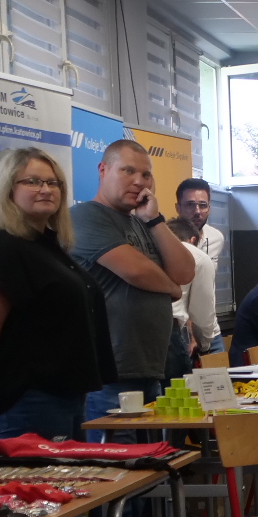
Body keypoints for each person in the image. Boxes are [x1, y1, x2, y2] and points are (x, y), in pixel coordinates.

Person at [0, 148, 114, 442]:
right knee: (43, 474)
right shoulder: (4, 247)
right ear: (8, 189)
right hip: (30, 397)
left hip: (66, 393)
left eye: (53, 182)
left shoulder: (49, 247)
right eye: (32, 181)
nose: (45, 189)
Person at [69, 139, 197, 424]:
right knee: (118, 450)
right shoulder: (84, 216)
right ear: (103, 170)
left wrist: (155, 221)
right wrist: (173, 290)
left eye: (146, 174)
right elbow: (136, 271)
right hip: (111, 372)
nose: (139, 181)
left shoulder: (143, 222)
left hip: (150, 368)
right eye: (128, 171)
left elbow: (186, 271)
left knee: (148, 449)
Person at [169, 178, 222, 367]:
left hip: (210, 328)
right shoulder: (167, 237)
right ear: (178, 207)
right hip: (182, 331)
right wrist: (191, 334)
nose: (197, 211)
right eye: (190, 205)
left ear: (209, 208)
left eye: (202, 205)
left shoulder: (216, 238)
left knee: (221, 381)